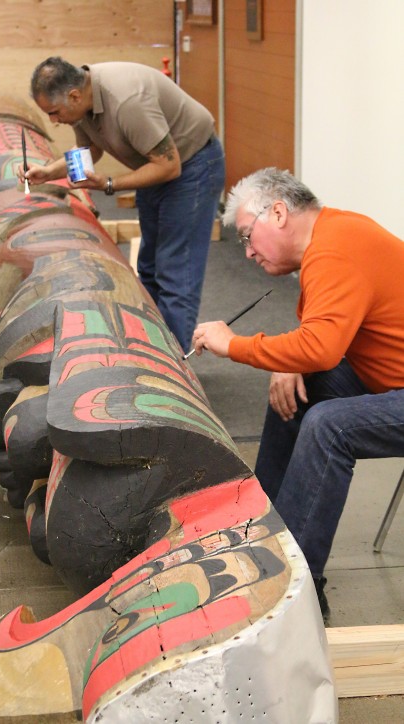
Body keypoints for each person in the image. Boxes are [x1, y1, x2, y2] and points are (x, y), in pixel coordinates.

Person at [191, 167, 404, 622]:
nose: (247, 252)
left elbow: (322, 347)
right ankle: (261, 538)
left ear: (280, 213)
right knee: (297, 391)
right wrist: (292, 362)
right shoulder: (332, 238)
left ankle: (295, 588)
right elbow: (322, 339)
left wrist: (235, 345)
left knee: (331, 426)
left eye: (248, 236)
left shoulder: (337, 249)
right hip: (389, 380)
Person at [20, 56, 225, 354]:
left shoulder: (128, 102)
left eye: (54, 112)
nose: (53, 120)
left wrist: (109, 184)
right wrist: (49, 172)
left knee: (175, 270)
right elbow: (89, 149)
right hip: (153, 166)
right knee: (149, 267)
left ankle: (174, 368)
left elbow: (170, 167)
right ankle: (150, 351)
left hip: (192, 167)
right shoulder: (82, 105)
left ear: (74, 96)